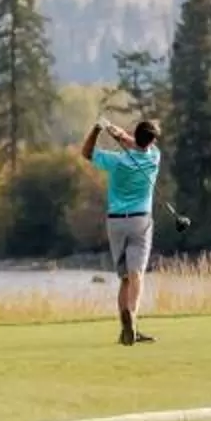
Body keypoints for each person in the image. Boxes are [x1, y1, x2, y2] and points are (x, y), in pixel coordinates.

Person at [82, 110, 162, 344]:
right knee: (137, 276)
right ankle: (133, 321)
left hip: (116, 221)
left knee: (125, 278)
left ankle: (125, 327)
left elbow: (87, 153)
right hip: (141, 221)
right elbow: (137, 144)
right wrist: (120, 135)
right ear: (153, 140)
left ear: (136, 136)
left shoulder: (117, 162)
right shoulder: (154, 158)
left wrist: (99, 129)